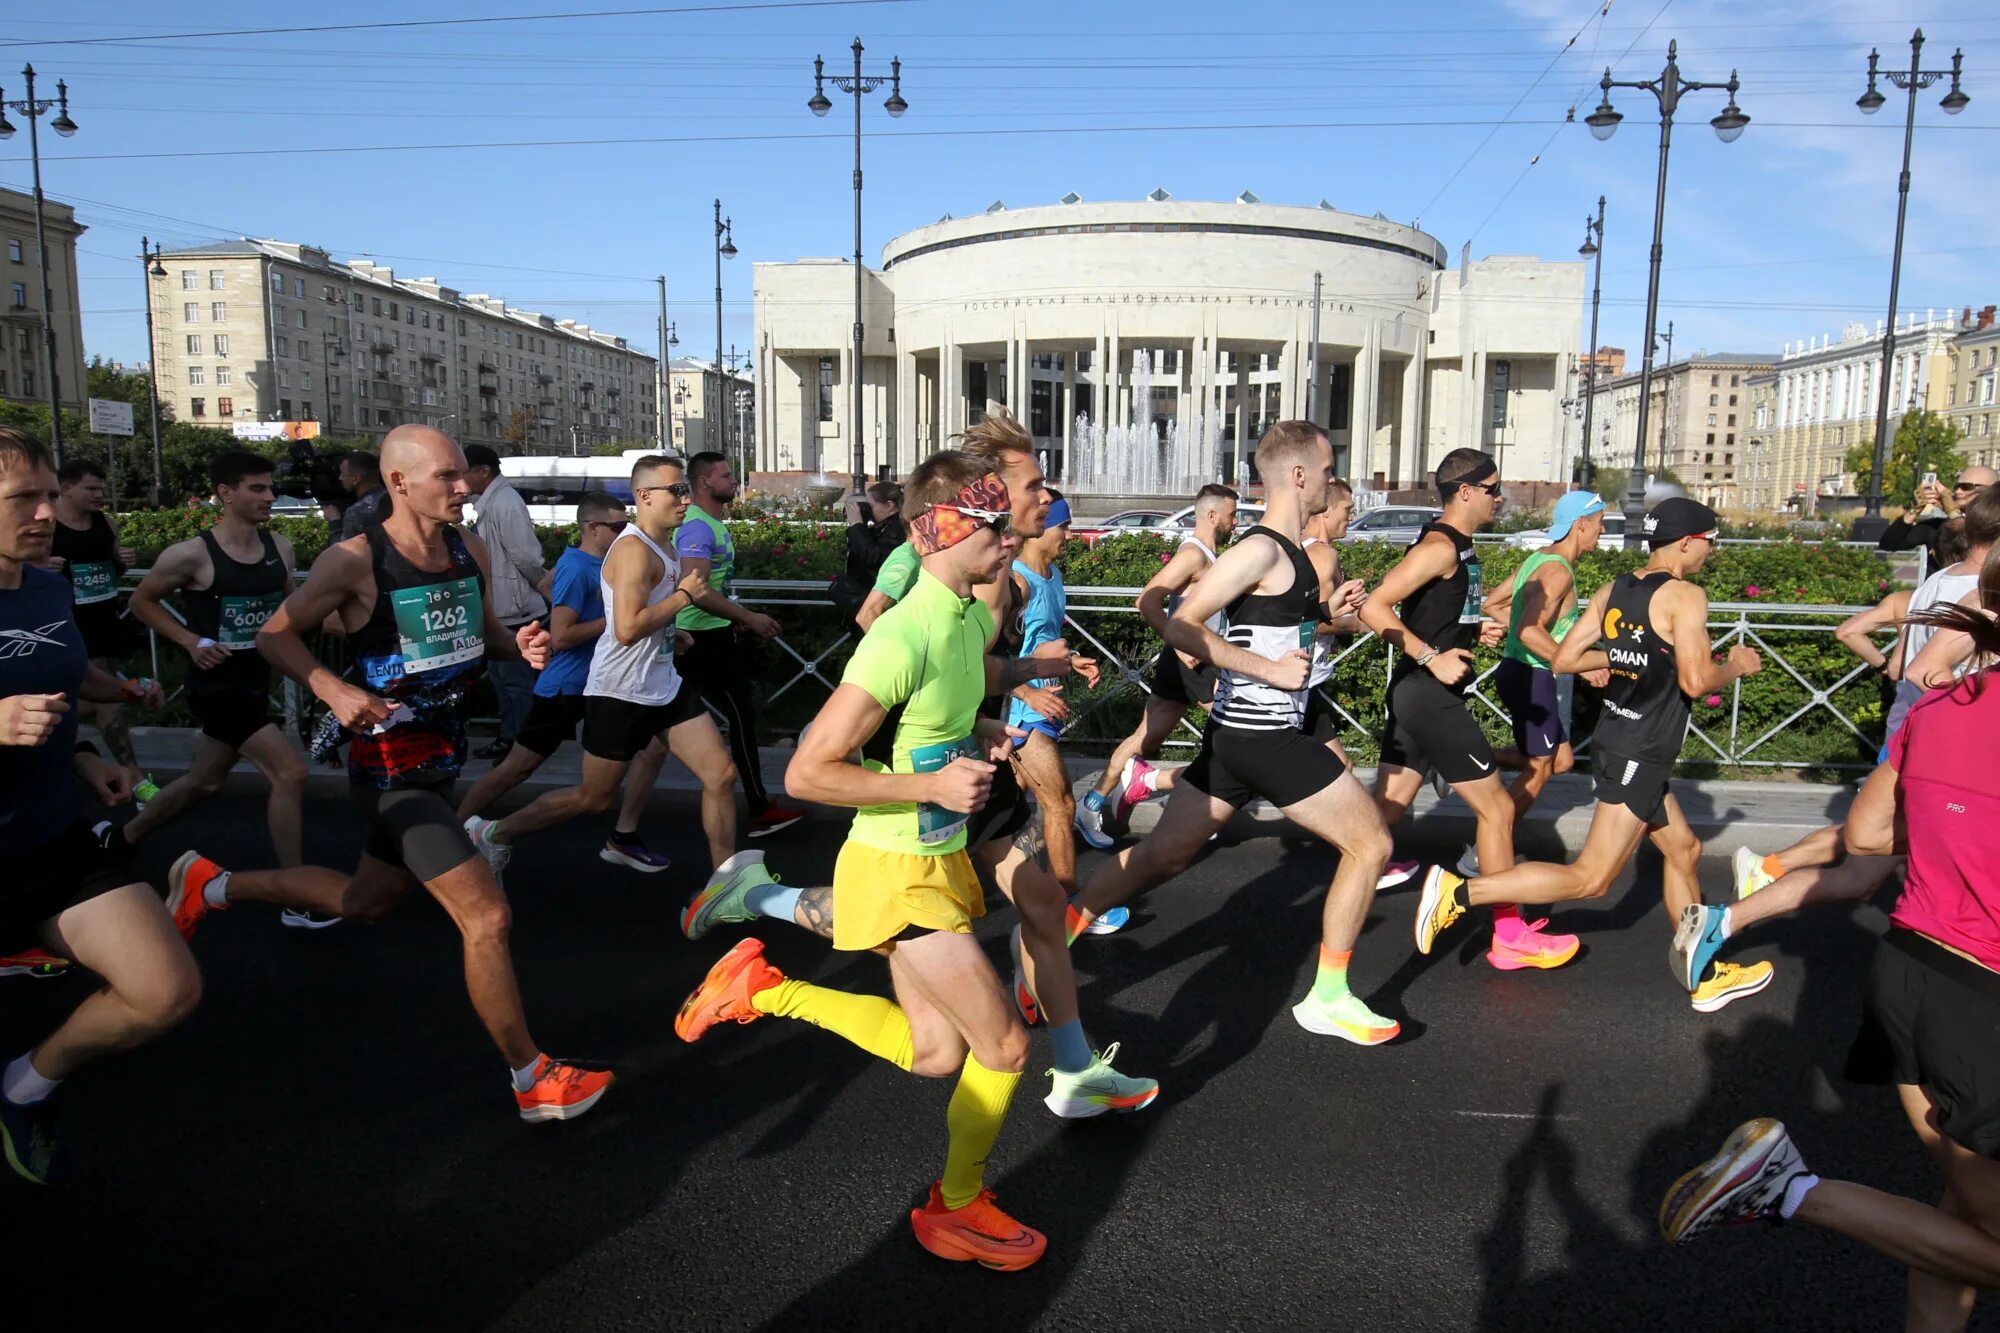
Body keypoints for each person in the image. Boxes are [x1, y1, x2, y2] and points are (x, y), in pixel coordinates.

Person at [680, 423, 1153, 1119]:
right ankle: (757, 898)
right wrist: (912, 731)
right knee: (978, 1009)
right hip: (918, 804)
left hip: (950, 786)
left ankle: (759, 952)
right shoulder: (933, 592)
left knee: (940, 1033)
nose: (1040, 502)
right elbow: (877, 652)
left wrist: (998, 700)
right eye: (1028, 488)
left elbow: (966, 666)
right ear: (966, 506)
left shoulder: (974, 598)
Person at [674, 451, 1070, 1272]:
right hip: (896, 871)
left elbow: (958, 687)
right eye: (990, 524)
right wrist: (931, 778)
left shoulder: (965, 617)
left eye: (1004, 521)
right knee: (1002, 1048)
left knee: (934, 1054)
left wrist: (987, 728)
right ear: (940, 529)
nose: (1006, 536)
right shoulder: (903, 631)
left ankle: (762, 987)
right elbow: (806, 771)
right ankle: (956, 1206)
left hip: (933, 859)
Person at [163, 424, 613, 1122]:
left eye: (464, 474)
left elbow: (480, 631)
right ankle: (532, 1078)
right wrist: (330, 688)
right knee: (486, 915)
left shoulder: (470, 546)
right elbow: (275, 634)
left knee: (363, 902)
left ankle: (212, 884)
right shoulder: (354, 560)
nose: (463, 487)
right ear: (398, 483)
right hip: (388, 768)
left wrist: (517, 643)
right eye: (447, 477)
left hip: (442, 757)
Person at [1661, 580, 2000, 1327]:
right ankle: (1789, 1188)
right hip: (1986, 1001)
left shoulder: (1944, 708)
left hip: (1911, 971)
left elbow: (1871, 838)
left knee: (1964, 1220)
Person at [1070, 420, 1402, 1046]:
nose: (1332, 481)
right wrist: (1269, 670)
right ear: (1299, 475)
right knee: (1372, 846)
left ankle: (1051, 933)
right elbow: (1181, 622)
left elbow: (1273, 628)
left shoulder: (1293, 552)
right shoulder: (1260, 550)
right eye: (1328, 470)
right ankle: (1328, 997)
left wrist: (1331, 615)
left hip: (1241, 739)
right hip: (1264, 738)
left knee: (1160, 857)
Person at [1413, 498, 1775, 1013]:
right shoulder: (1685, 596)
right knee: (1592, 877)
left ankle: (1705, 969)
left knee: (1684, 851)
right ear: (1689, 541)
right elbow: (1696, 681)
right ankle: (1458, 894)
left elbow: (1563, 659)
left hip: (1615, 739)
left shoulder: (1615, 589)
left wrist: (1632, 654)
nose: (1711, 553)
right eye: (1711, 542)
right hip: (1642, 749)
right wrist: (1736, 664)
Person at [0, 425, 200, 1184]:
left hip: (50, 840)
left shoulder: (48, 587)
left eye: (51, 495)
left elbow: (60, 687)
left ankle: (23, 1084)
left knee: (165, 991)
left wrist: (82, 754)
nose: (47, 512)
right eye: (25, 497)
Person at [464, 455, 781, 913]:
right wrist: (680, 602)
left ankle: (721, 886)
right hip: (619, 692)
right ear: (644, 496)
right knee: (593, 798)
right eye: (676, 491)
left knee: (720, 773)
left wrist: (699, 624)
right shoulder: (633, 550)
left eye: (685, 491)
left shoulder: (667, 545)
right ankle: (493, 832)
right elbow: (628, 627)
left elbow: (691, 592)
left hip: (664, 685)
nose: (685, 499)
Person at [1363, 450, 1579, 971]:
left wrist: (1467, 631)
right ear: (1465, 491)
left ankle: (1331, 899)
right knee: (1498, 810)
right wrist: (1433, 656)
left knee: (1382, 818)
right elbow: (1375, 606)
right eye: (1492, 487)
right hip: (1428, 696)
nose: (1499, 496)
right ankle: (1508, 935)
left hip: (1420, 695)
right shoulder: (1440, 546)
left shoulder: (1460, 547)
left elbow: (1430, 610)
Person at [116, 451, 322, 926]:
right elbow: (143, 600)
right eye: (257, 488)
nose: (270, 496)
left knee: (204, 782)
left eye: (271, 488)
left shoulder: (281, 548)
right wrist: (191, 640)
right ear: (226, 494)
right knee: (290, 772)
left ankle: (122, 838)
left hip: (255, 682)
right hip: (216, 687)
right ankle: (295, 893)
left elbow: (289, 610)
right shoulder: (191, 553)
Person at [454, 490, 671, 870]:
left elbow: (545, 585)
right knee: (517, 768)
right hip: (566, 687)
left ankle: (624, 835)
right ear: (592, 528)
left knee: (652, 750)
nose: (626, 533)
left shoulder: (594, 562)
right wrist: (624, 620)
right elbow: (563, 636)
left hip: (605, 685)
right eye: (618, 526)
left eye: (628, 525)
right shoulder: (577, 566)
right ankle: (456, 830)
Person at [1075, 483, 1239, 848]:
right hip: (1191, 660)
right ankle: (1194, 804)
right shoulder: (1193, 555)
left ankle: (1094, 802)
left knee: (1144, 738)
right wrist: (1179, 642)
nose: (1236, 523)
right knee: (1234, 731)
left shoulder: (1209, 556)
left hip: (1190, 659)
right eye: (1232, 516)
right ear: (1212, 516)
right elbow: (1146, 600)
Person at [1469, 491, 1610, 867]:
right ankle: (1483, 851)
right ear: (1581, 524)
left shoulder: (1537, 559)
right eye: (1599, 523)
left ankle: (1461, 761)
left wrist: (1515, 631)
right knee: (1540, 768)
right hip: (1532, 677)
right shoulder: (1558, 570)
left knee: (1560, 761)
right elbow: (1531, 632)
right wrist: (1579, 662)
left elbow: (1493, 605)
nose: (1602, 531)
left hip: (1518, 672)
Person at [672, 451, 806, 837]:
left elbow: (711, 586)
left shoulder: (709, 523)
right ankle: (759, 809)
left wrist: (736, 617)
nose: (733, 481)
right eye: (726, 476)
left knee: (671, 724)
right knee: (741, 717)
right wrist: (747, 617)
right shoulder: (698, 527)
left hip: (707, 632)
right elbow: (695, 590)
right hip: (698, 637)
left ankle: (623, 820)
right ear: (704, 483)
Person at [1001, 489, 1101, 894]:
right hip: (1021, 710)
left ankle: (987, 883)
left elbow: (1042, 638)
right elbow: (991, 652)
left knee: (1001, 811)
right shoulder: (1017, 584)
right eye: (1064, 525)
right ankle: (1068, 904)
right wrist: (1028, 694)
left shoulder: (1052, 575)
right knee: (1060, 805)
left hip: (1043, 703)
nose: (1069, 534)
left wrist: (1071, 658)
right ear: (1040, 528)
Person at [48, 459, 140, 770]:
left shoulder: (105, 522)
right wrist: (40, 569)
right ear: (66, 488)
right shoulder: (46, 525)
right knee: (109, 702)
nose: (98, 494)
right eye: (91, 488)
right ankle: (137, 780)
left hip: (104, 620)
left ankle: (72, 762)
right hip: (65, 624)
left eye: (101, 488)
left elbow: (114, 571)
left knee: (82, 700)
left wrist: (123, 561)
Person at [463, 445, 549, 761]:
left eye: (464, 472)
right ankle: (511, 739)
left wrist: (543, 587)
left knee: (515, 682)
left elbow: (526, 556)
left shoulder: (505, 503)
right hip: (504, 606)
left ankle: (520, 746)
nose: (460, 482)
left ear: (483, 471)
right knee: (504, 680)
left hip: (516, 608)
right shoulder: (493, 501)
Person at [1299, 477, 1368, 752]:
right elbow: (1314, 622)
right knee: (1338, 769)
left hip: (1303, 676)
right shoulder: (1322, 555)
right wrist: (1364, 624)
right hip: (1300, 677)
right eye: (1347, 509)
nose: (1350, 517)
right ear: (1327, 509)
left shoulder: (1308, 549)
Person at [1875, 463, 1994, 570]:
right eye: (1956, 486)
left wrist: (1952, 512)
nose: (1957, 492)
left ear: (1992, 490)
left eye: (1966, 487)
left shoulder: (1994, 528)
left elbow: (1968, 547)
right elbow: (1889, 543)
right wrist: (1916, 509)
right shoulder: (1938, 526)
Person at [834, 480, 905, 628]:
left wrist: (857, 526)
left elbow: (873, 556)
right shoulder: (885, 527)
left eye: (870, 506)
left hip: (882, 605)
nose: (867, 510)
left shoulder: (897, 529)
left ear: (889, 506)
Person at [336, 450, 388, 541]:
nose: (340, 478)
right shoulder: (395, 498)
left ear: (356, 478)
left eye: (342, 473)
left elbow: (344, 552)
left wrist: (334, 521)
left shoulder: (355, 512)